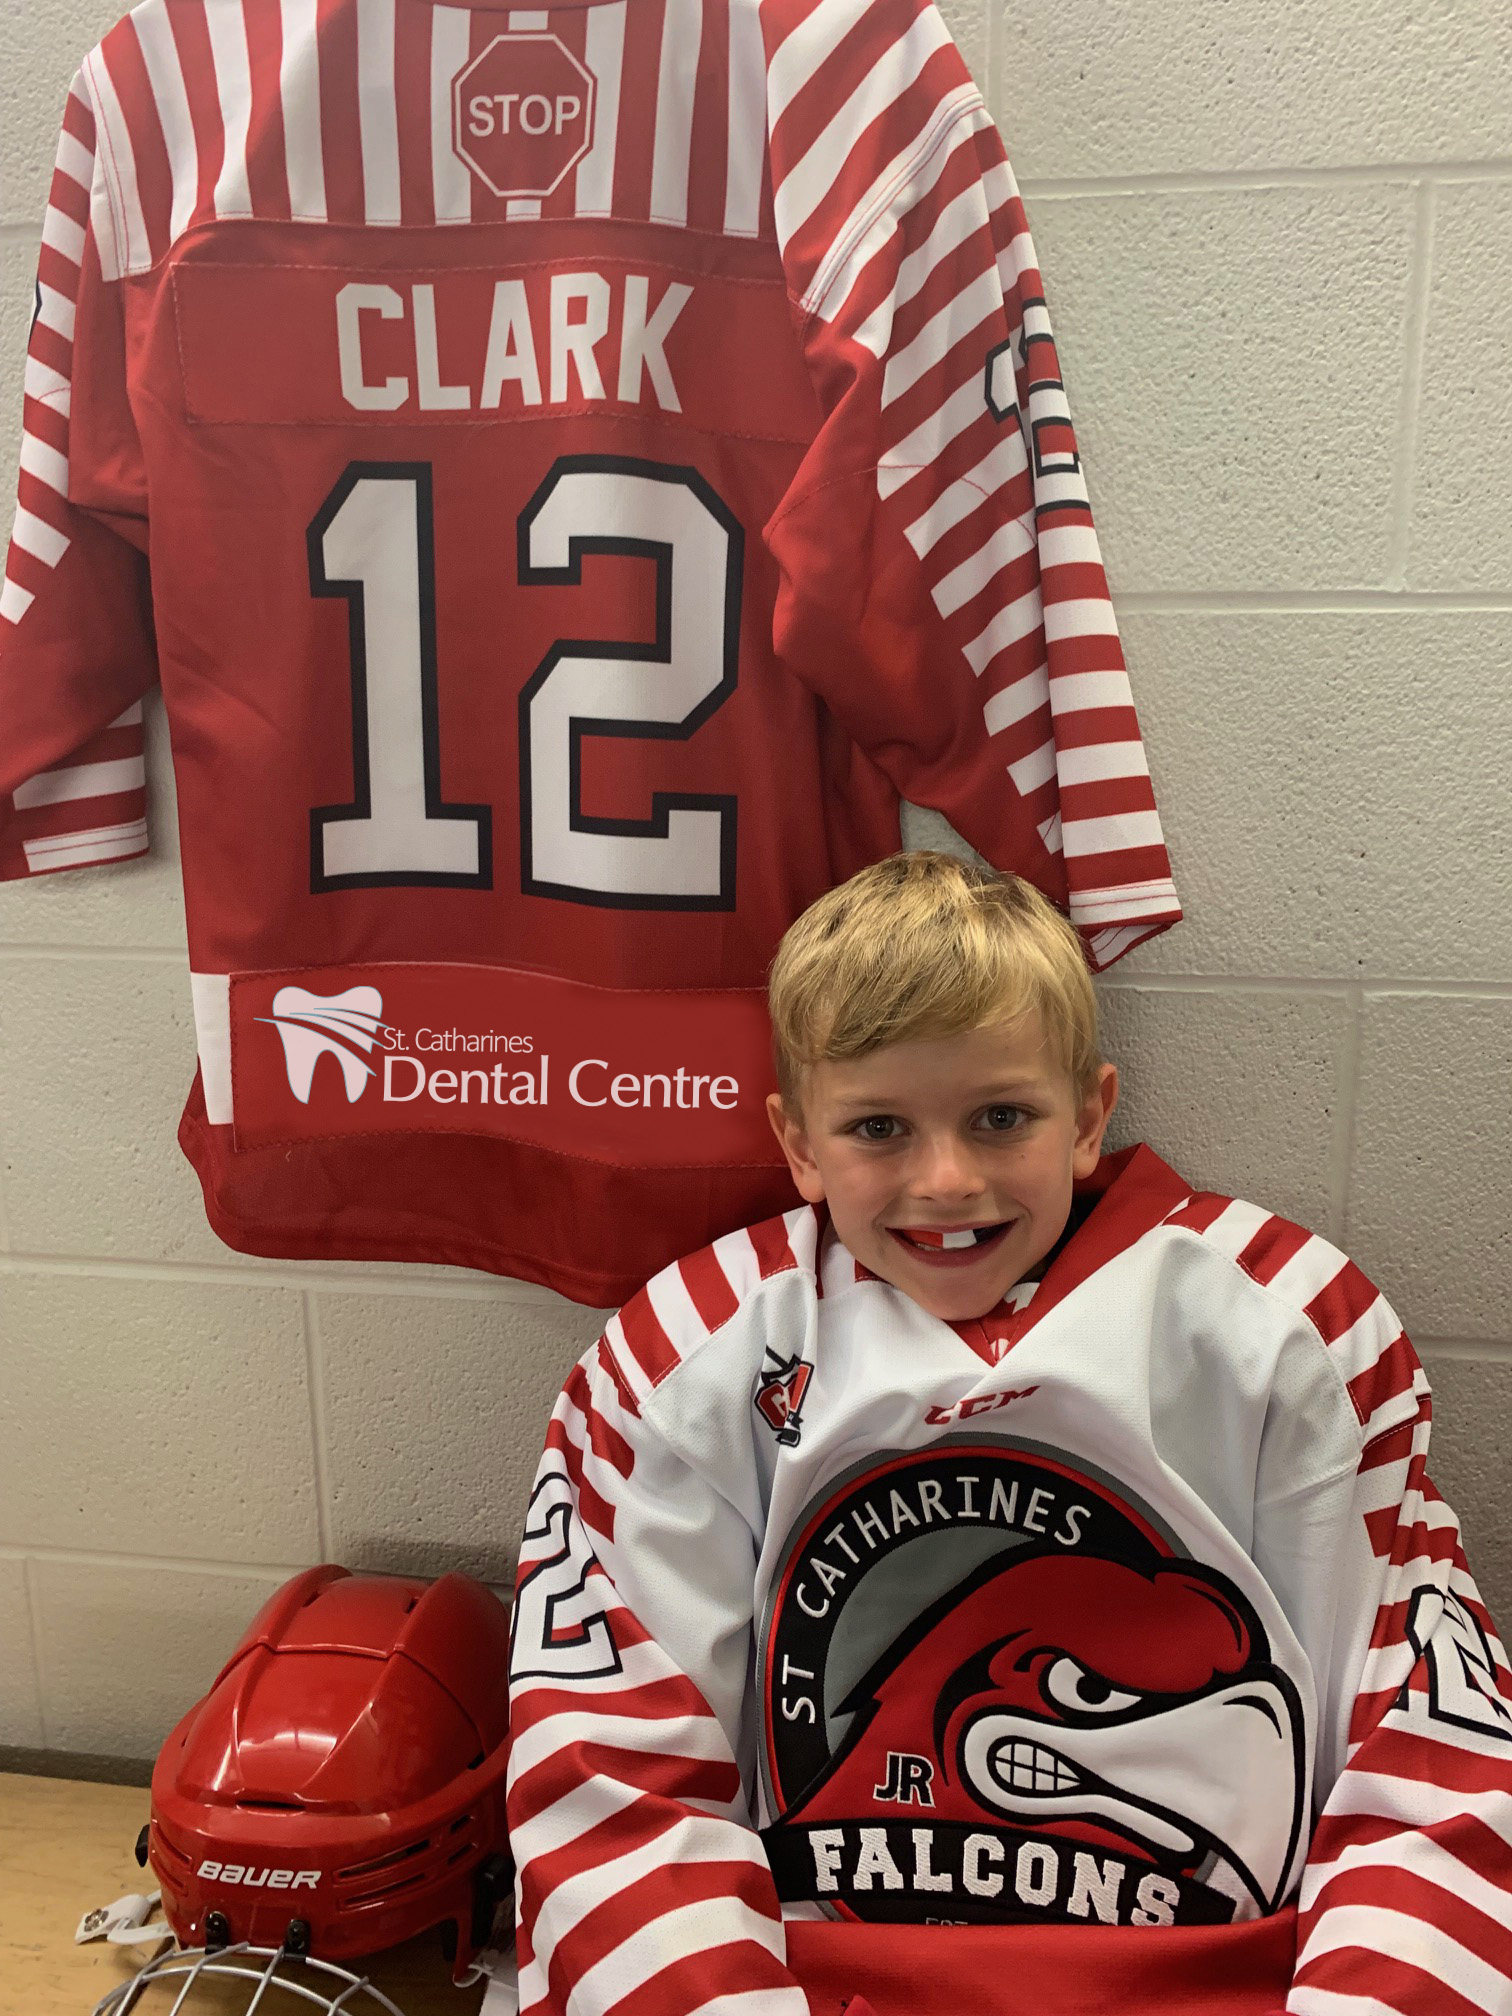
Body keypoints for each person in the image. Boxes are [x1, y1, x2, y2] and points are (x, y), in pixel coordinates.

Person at [505, 852, 1512, 2016]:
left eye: (1001, 1117)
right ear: (798, 1145)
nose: (946, 1178)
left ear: (1088, 1114)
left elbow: (1424, 1755)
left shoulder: (1293, 1330)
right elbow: (612, 1773)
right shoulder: (684, 1358)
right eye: (879, 1127)